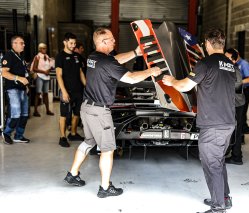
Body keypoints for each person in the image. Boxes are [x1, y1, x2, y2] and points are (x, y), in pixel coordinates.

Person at [63, 27, 161, 198]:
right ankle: (105, 188)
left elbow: (115, 59)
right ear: (103, 42)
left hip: (87, 108)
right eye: (111, 39)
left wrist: (135, 52)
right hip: (99, 112)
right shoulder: (106, 62)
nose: (115, 41)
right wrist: (150, 71)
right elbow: (130, 77)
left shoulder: (94, 57)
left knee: (88, 141)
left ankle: (72, 174)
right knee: (107, 150)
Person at [163, 28, 235, 213]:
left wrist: (171, 81)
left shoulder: (206, 63)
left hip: (214, 123)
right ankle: (223, 198)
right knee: (218, 161)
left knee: (211, 163)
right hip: (227, 121)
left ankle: (218, 206)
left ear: (208, 44)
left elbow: (185, 85)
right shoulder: (229, 64)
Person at [55, 32, 86, 147]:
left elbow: (80, 72)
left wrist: (86, 87)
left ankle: (73, 133)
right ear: (65, 42)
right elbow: (59, 75)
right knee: (64, 115)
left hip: (78, 90)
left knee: (77, 113)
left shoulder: (77, 56)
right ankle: (62, 137)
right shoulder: (60, 57)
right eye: (71, 43)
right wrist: (63, 91)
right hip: (67, 91)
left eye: (74, 43)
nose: (73, 45)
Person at [1, 35, 30, 144]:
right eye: (21, 43)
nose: (24, 45)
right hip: (13, 89)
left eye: (23, 43)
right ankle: (6, 133)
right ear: (14, 44)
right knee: (15, 114)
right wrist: (19, 78)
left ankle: (19, 135)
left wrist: (26, 85)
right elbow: (4, 73)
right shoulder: (9, 55)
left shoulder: (20, 56)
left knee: (24, 115)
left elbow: (23, 73)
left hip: (22, 89)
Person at [224, 48, 245, 165]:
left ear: (234, 60)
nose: (224, 60)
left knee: (236, 131)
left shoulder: (234, 71)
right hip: (231, 104)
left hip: (237, 105)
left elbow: (236, 88)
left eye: (227, 58)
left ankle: (237, 157)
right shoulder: (228, 69)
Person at [32, 43, 55, 117]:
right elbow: (34, 68)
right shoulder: (37, 57)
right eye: (43, 48)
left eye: (45, 48)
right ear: (40, 49)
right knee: (38, 93)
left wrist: (50, 69)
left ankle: (48, 110)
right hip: (40, 76)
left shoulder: (47, 57)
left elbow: (50, 66)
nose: (45, 49)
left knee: (46, 94)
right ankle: (35, 111)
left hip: (46, 77)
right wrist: (44, 72)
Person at [236, 52, 249, 135]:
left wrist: (237, 82)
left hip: (245, 89)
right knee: (240, 112)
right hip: (239, 90)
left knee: (242, 112)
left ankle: (243, 132)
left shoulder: (244, 64)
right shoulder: (235, 64)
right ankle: (243, 130)